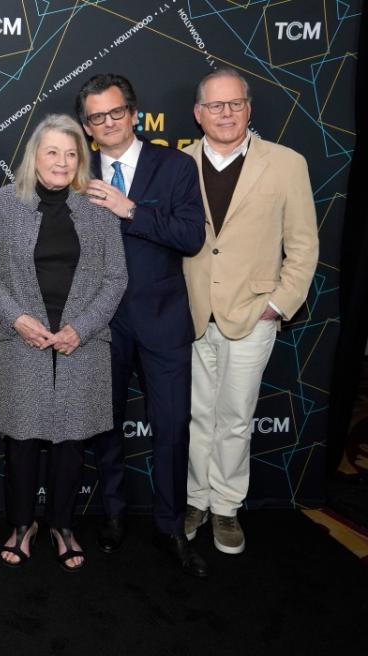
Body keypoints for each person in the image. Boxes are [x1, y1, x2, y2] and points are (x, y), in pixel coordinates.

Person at [75, 74, 209, 577]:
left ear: (133, 113)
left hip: (163, 322)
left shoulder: (173, 165)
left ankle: (170, 527)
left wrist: (129, 209)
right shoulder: (76, 169)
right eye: (96, 117)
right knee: (105, 427)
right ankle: (112, 515)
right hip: (100, 323)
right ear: (87, 127)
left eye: (115, 113)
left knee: (172, 429)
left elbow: (190, 236)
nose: (107, 124)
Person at [182, 68, 318, 555]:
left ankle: (226, 508)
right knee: (199, 416)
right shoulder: (178, 164)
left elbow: (303, 245)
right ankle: (195, 499)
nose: (226, 113)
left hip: (254, 313)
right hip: (195, 315)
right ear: (198, 114)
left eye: (234, 103)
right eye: (215, 106)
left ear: (249, 108)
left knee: (236, 418)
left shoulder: (285, 164)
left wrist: (278, 304)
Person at [0, 114, 127, 570]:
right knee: (22, 442)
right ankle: (21, 525)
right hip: (23, 337)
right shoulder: (3, 203)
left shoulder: (99, 206)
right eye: (52, 152)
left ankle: (64, 527)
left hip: (81, 342)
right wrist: (19, 318)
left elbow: (115, 277)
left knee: (71, 442)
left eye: (71, 154)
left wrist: (80, 329)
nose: (62, 162)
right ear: (35, 156)